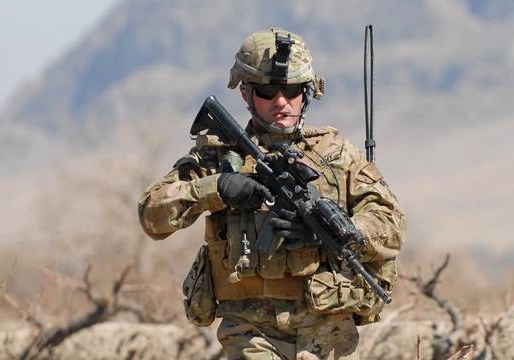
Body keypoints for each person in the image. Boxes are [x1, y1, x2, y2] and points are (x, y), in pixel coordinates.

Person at [138, 28, 406, 360]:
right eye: (267, 90)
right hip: (251, 333)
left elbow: (391, 223)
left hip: (329, 333)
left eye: (292, 90)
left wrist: (340, 232)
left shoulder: (336, 155)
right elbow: (151, 215)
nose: (281, 102)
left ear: (307, 92)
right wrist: (216, 188)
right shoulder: (222, 157)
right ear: (245, 93)